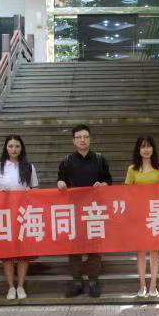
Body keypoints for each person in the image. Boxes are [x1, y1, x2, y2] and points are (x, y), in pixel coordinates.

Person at [57, 124, 112, 298]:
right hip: (74, 211)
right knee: (74, 248)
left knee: (95, 248)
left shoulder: (100, 159)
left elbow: (108, 181)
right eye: (79, 137)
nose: (83, 140)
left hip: (94, 211)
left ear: (90, 139)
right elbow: (61, 180)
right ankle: (77, 282)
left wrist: (102, 184)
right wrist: (60, 183)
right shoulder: (66, 161)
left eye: (86, 137)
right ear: (73, 140)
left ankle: (93, 281)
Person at [0, 135, 39, 300]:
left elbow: (35, 189)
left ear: (22, 148)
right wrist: (0, 192)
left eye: (17, 146)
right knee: (7, 252)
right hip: (4, 214)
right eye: (10, 146)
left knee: (24, 252)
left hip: (23, 213)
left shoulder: (29, 167)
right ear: (6, 148)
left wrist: (29, 192)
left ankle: (21, 286)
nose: (14, 149)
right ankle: (11, 286)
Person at [125, 135, 159, 298]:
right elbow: (127, 193)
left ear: (153, 148)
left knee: (154, 250)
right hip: (139, 214)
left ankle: (153, 284)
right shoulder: (132, 169)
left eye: (149, 146)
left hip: (156, 214)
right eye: (143, 146)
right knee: (140, 250)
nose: (146, 149)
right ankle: (142, 285)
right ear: (138, 149)